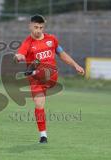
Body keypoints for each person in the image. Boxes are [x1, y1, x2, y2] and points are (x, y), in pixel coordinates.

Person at [14, 14, 85, 143]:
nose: (38, 30)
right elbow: (19, 54)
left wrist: (76, 65)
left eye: (41, 27)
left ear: (43, 27)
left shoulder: (51, 39)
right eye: (36, 27)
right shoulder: (27, 43)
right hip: (36, 80)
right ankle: (43, 136)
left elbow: (62, 54)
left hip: (51, 75)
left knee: (43, 68)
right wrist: (18, 57)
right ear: (30, 26)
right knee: (39, 105)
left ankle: (35, 69)